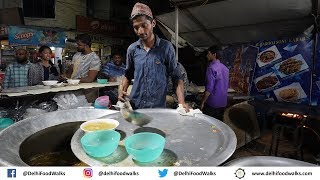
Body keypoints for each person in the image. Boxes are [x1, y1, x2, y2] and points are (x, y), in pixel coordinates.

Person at [118, 2, 189, 111]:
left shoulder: (166, 48)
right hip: (135, 105)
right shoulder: (132, 49)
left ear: (153, 23)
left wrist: (181, 102)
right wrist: (122, 90)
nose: (140, 31)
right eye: (136, 27)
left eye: (144, 25)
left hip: (157, 107)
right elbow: (128, 74)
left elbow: (177, 77)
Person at [200, 45, 229, 121]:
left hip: (212, 104)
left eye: (208, 53)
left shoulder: (211, 68)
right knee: (218, 126)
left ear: (214, 55)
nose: (207, 56)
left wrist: (202, 102)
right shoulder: (225, 68)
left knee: (209, 127)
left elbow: (209, 89)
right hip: (223, 103)